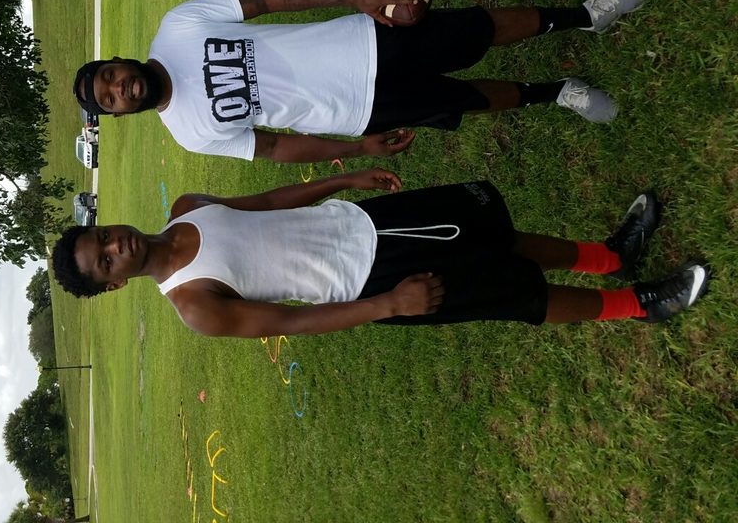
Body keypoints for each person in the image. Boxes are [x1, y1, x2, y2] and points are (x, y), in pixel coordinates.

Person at [73, 0, 648, 162]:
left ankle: (585, 15)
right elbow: (272, 148)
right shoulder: (189, 133)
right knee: (464, 100)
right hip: (355, 111)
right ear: (118, 114)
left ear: (117, 60)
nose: (119, 89)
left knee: (478, 31)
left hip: (360, 43)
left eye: (109, 77)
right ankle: (559, 92)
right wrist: (355, 149)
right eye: (110, 99)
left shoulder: (177, 27)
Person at [50, 168, 709, 336]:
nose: (115, 246)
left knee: (497, 237)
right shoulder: (194, 305)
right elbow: (294, 322)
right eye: (105, 262)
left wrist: (344, 179)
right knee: (518, 291)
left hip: (367, 221)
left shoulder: (185, 208)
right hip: (372, 278)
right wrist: (388, 305)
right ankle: (638, 305)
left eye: (101, 237)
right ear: (114, 283)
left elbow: (268, 202)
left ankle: (610, 256)